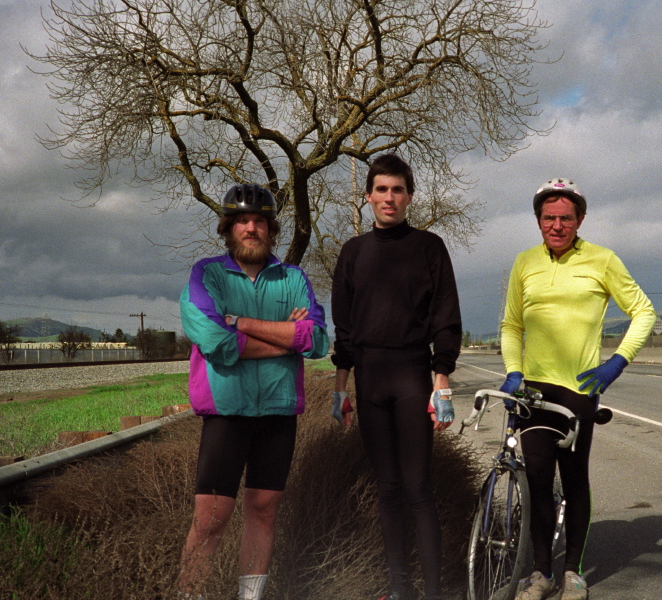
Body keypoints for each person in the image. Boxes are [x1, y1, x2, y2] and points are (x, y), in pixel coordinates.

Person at [500, 178, 656, 600]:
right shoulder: (524, 263)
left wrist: (616, 363)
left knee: (572, 478)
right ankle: (540, 573)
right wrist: (514, 369)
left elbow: (643, 311)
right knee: (535, 477)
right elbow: (512, 325)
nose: (557, 225)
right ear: (538, 221)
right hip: (533, 390)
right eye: (548, 218)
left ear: (580, 219)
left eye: (565, 218)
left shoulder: (603, 260)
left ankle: (573, 571)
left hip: (579, 390)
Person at [178, 183, 329, 600]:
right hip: (226, 411)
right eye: (242, 220)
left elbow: (316, 341)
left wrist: (241, 322)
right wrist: (286, 336)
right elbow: (215, 343)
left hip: (278, 412)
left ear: (270, 229)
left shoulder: (292, 278)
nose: (251, 228)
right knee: (210, 519)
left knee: (263, 511)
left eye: (259, 221)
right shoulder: (206, 275)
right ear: (228, 228)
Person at [330, 154, 462, 600]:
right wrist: (340, 388)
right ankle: (400, 590)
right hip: (368, 378)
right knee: (387, 489)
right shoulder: (353, 253)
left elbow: (446, 318)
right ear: (368, 196)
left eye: (398, 190)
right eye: (381, 190)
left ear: (410, 196)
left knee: (417, 487)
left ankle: (434, 592)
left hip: (411, 373)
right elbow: (343, 329)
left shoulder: (429, 247)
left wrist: (441, 379)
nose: (390, 198)